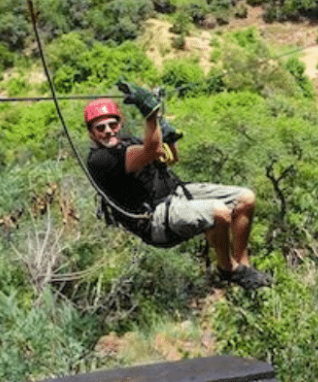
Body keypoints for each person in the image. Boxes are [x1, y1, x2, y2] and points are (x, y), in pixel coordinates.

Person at [84, 84, 272, 290]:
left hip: (175, 194)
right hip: (154, 219)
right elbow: (150, 151)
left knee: (246, 198)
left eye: (112, 124)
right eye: (100, 128)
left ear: (120, 124)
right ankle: (228, 269)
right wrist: (151, 116)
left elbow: (170, 159)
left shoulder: (127, 142)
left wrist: (170, 140)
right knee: (220, 213)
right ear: (92, 134)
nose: (108, 131)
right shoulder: (100, 160)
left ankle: (242, 264)